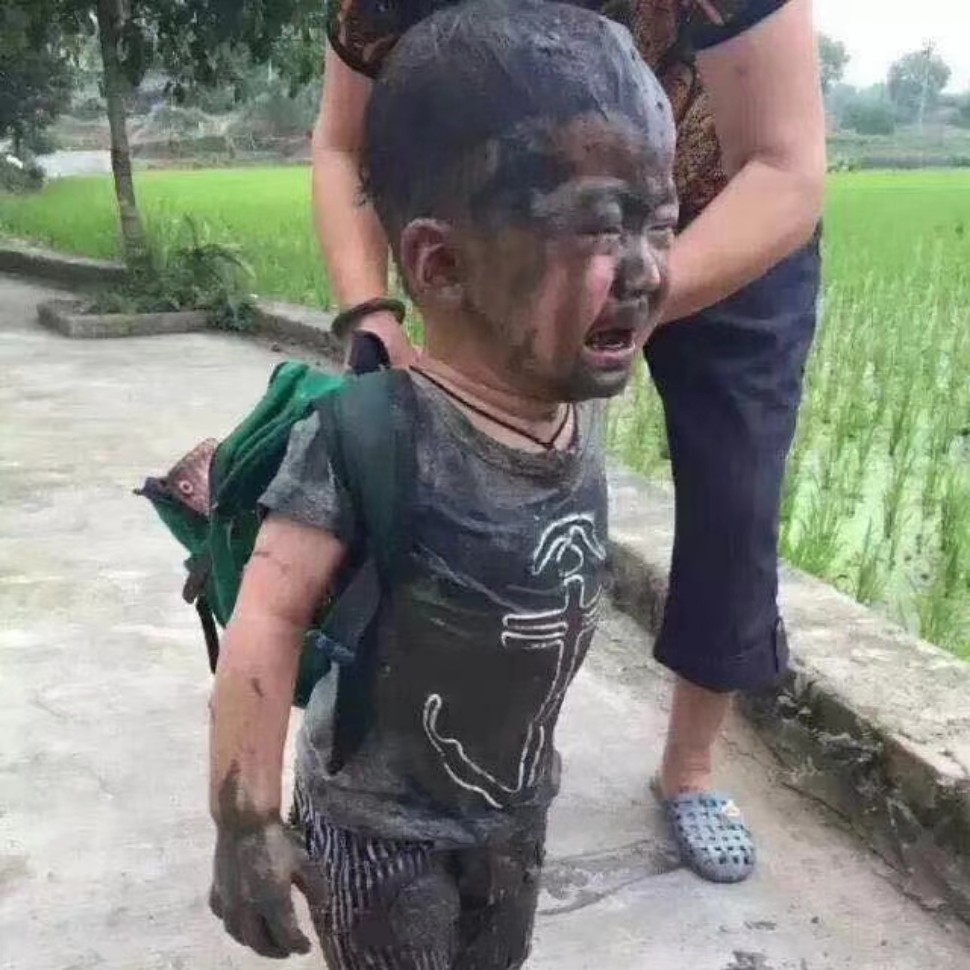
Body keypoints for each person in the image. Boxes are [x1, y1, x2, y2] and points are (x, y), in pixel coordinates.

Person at [208, 2, 679, 964]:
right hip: (379, 834)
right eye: (601, 230)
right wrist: (245, 824)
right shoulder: (370, 435)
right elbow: (268, 618)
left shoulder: (575, 414)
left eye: (660, 226)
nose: (644, 272)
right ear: (442, 264)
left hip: (515, 812)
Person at [312, 0, 825, 883]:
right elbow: (342, 145)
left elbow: (787, 165)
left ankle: (690, 771)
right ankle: (449, 735)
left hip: (715, 216)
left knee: (736, 498)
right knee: (446, 481)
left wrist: (622, 295)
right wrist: (369, 310)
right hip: (508, 238)